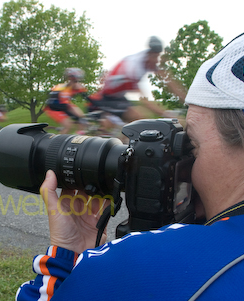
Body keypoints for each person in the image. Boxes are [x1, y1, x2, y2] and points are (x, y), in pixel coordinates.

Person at [16, 33, 244, 300]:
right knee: (140, 121)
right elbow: (145, 98)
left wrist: (67, 255)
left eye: (191, 144)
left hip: (113, 99)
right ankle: (132, 156)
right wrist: (162, 115)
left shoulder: (139, 265)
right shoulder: (137, 63)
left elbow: (166, 81)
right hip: (110, 98)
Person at [88, 36, 186, 130]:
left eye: (158, 56)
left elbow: (170, 82)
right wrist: (167, 115)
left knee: (138, 121)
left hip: (119, 96)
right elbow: (144, 100)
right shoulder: (134, 67)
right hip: (108, 97)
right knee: (139, 118)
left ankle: (124, 140)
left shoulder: (148, 60)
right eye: (155, 56)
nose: (157, 60)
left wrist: (187, 101)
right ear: (150, 54)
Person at [43, 68, 89, 134]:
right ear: (71, 80)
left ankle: (79, 137)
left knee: (82, 119)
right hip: (53, 109)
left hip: (64, 106)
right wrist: (75, 116)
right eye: (75, 81)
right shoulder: (61, 88)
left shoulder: (76, 88)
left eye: (78, 81)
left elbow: (87, 98)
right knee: (68, 125)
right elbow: (55, 104)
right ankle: (58, 143)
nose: (78, 84)